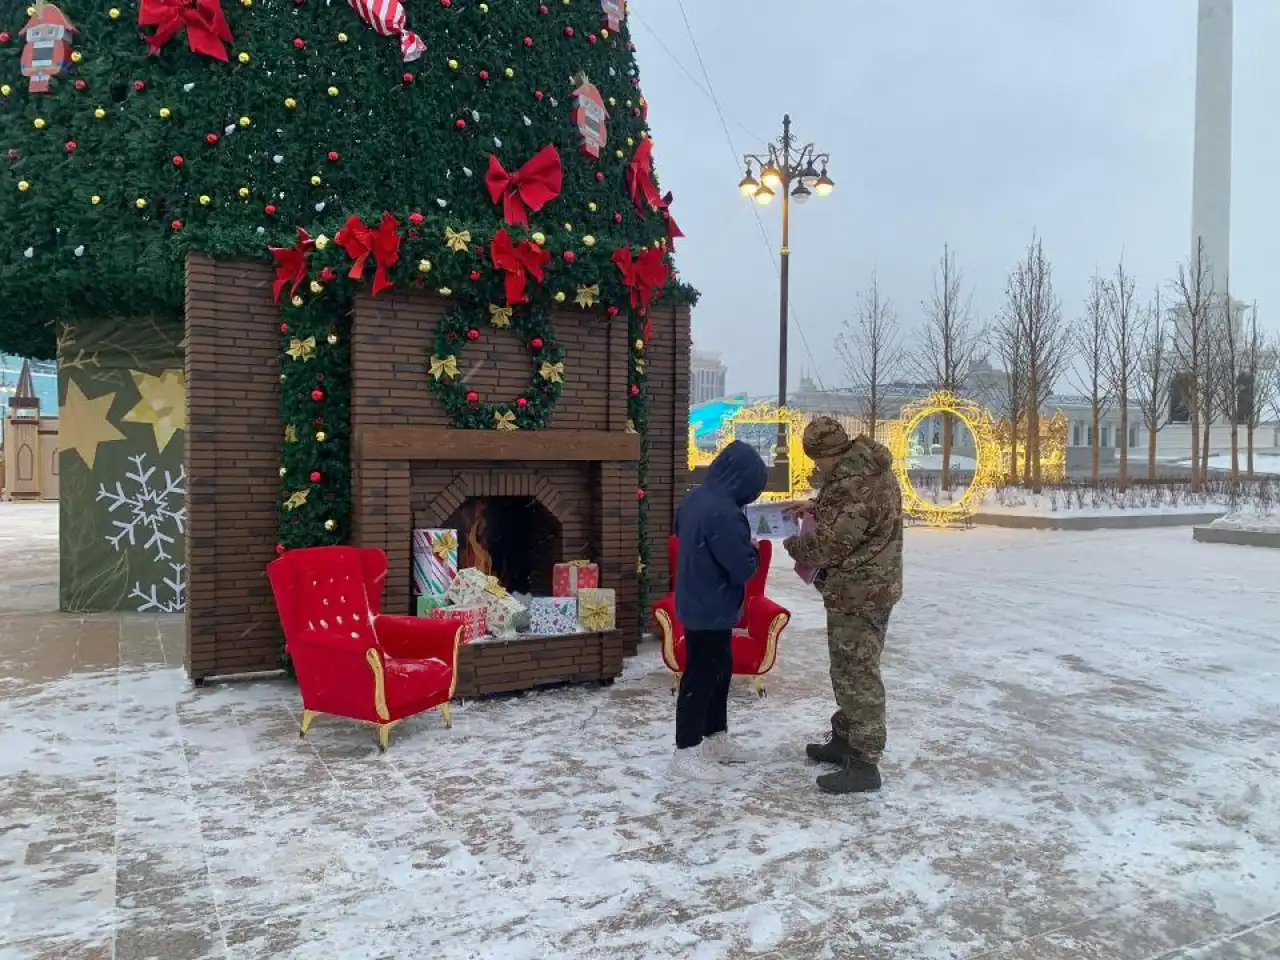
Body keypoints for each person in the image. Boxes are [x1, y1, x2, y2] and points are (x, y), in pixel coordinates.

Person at [783, 417, 902, 794]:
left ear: (832, 453)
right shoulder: (862, 470)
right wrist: (815, 506)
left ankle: (865, 763)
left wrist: (791, 542)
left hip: (860, 593)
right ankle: (845, 739)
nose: (818, 468)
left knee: (858, 674)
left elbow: (829, 545)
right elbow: (849, 513)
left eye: (819, 461)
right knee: (847, 669)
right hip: (866, 587)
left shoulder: (854, 481)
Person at [670, 439, 768, 781]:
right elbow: (741, 568)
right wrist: (752, 551)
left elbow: (684, 534)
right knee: (701, 677)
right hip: (711, 605)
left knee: (717, 672)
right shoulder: (725, 513)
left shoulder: (695, 499)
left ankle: (715, 740)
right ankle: (687, 750)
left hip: (697, 600)